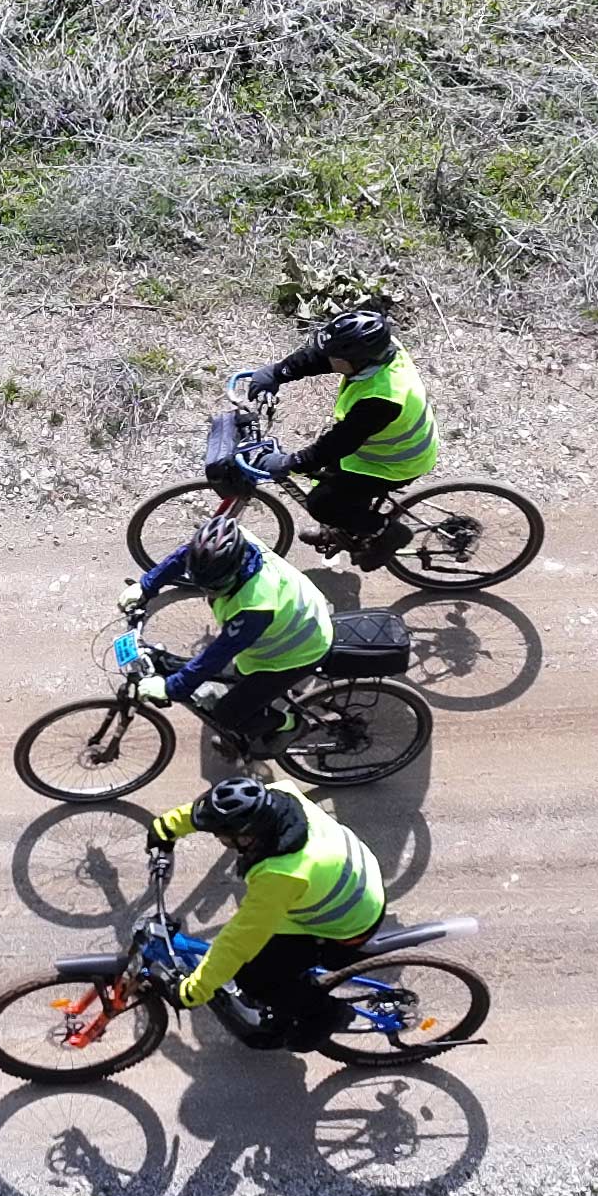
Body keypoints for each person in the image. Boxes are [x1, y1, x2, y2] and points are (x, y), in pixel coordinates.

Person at [139, 776, 389, 1050]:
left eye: (223, 838)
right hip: (350, 878)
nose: (218, 839)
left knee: (254, 976)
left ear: (247, 836)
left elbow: (238, 941)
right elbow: (214, 811)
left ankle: (325, 1015)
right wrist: (167, 827)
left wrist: (195, 991)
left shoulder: (281, 874)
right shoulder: (274, 796)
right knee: (256, 951)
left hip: (345, 921)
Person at [225, 307, 439, 558]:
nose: (329, 359)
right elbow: (319, 357)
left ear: (358, 362)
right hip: (373, 445)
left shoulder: (383, 398)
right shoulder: (378, 347)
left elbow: (336, 445)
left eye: (336, 357)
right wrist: (278, 372)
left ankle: (386, 531)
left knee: (323, 504)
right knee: (325, 476)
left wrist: (289, 462)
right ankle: (342, 528)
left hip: (395, 462)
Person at [128, 520, 338, 769]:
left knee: (228, 715)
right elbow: (186, 554)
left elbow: (219, 653)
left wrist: (172, 688)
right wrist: (147, 585)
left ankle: (290, 724)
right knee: (232, 680)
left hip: (295, 651)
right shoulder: (233, 547)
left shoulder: (254, 606)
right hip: (296, 614)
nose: (208, 591)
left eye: (215, 586)